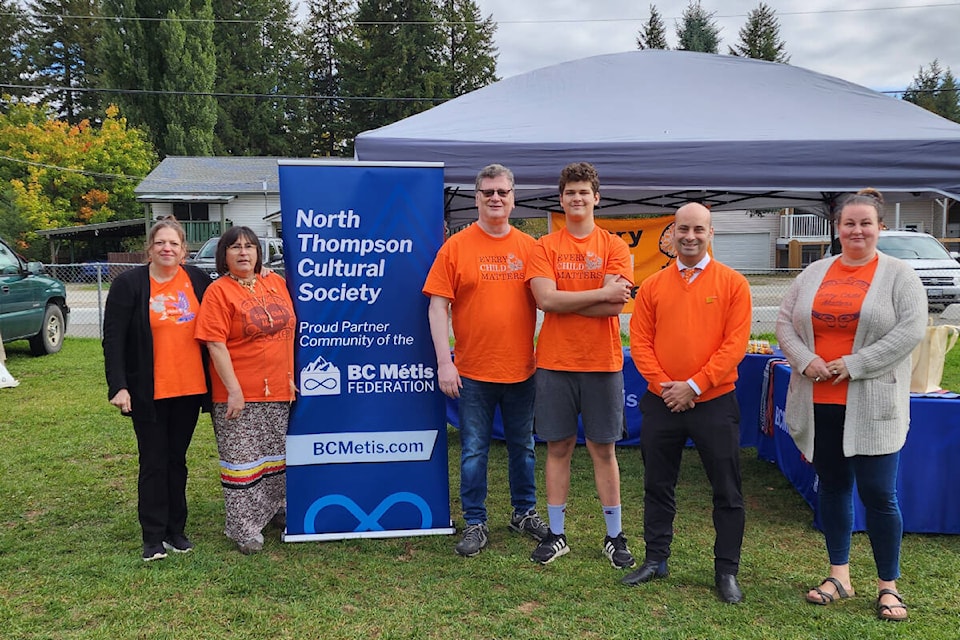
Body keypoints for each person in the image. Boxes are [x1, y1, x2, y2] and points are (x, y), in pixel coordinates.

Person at [775, 189, 926, 622]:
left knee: (880, 495)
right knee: (834, 488)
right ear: (837, 228)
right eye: (849, 223)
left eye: (865, 223)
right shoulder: (814, 272)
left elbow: (911, 330)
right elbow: (785, 322)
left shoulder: (899, 275)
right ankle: (839, 574)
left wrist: (855, 364)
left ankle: (888, 586)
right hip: (819, 400)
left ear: (881, 227)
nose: (857, 230)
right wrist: (806, 361)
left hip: (873, 402)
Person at [626, 202, 752, 604]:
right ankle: (656, 559)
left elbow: (734, 346)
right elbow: (640, 343)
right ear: (672, 234)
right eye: (683, 229)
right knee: (657, 485)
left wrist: (694, 386)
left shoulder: (733, 284)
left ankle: (726, 570)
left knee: (727, 490)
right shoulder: (653, 286)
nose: (690, 236)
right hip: (662, 402)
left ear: (711, 233)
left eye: (699, 229)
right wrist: (667, 387)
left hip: (714, 401)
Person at [423, 164, 547, 557]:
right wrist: (446, 361)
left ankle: (523, 513)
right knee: (474, 450)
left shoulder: (531, 248)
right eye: (488, 192)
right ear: (476, 198)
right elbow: (437, 307)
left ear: (514, 198)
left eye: (503, 192)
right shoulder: (456, 247)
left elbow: (553, 301)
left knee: (523, 447)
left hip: (521, 369)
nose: (496, 198)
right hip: (472, 371)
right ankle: (475, 522)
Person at [526, 161, 636, 568]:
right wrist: (597, 294)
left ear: (596, 198)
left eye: (583, 192)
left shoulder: (614, 245)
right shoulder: (545, 246)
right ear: (561, 199)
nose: (577, 198)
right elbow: (545, 301)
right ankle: (556, 534)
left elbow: (616, 304)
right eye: (570, 192)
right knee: (558, 447)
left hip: (602, 363)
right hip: (555, 361)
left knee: (603, 449)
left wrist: (569, 301)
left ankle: (614, 536)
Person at [103, 217, 211, 561]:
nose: (167, 248)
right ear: (149, 249)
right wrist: (118, 386)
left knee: (176, 461)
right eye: (160, 243)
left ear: (184, 250)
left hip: (189, 389)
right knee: (153, 461)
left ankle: (175, 531)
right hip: (148, 391)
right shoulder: (130, 284)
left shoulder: (196, 279)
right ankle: (152, 536)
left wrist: (263, 273)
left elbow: (228, 298)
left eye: (174, 244)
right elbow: (114, 339)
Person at [195, 227, 296, 555]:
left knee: (276, 457)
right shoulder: (218, 292)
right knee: (242, 461)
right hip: (238, 394)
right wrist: (234, 389)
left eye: (250, 247)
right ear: (223, 254)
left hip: (279, 388)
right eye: (235, 247)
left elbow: (291, 331)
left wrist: (290, 374)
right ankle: (245, 528)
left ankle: (275, 510)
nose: (243, 253)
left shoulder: (275, 283)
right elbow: (215, 342)